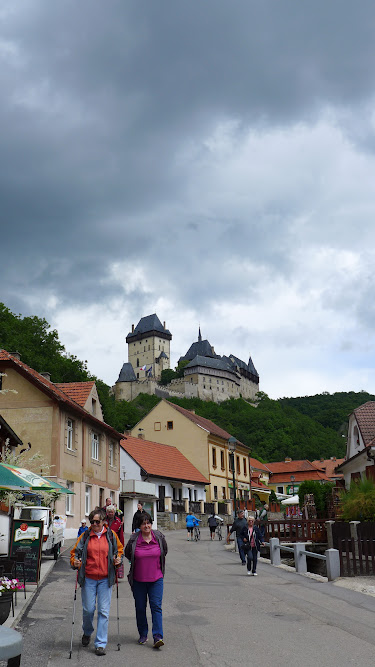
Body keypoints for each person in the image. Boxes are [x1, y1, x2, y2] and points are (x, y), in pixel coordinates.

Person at [70, 508, 123, 656]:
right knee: (88, 610)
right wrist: (75, 562)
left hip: (106, 579)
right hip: (89, 578)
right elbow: (74, 553)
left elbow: (119, 550)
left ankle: (100, 643)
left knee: (103, 611)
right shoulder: (86, 536)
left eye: (97, 521)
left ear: (104, 522)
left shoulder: (111, 536)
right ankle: (87, 632)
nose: (94, 524)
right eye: (92, 521)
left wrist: (118, 559)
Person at [125, 513, 168, 649]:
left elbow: (164, 551)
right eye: (143, 523)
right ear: (139, 525)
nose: (146, 526)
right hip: (138, 580)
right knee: (140, 608)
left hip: (156, 579)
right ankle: (143, 634)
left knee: (156, 607)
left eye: (148, 523)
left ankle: (158, 637)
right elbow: (127, 553)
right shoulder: (133, 539)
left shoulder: (159, 537)